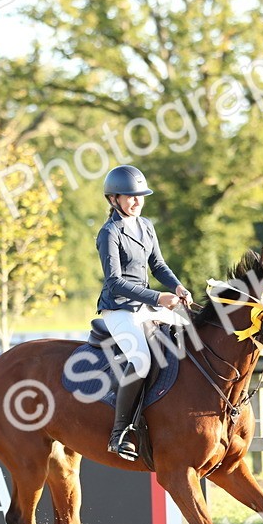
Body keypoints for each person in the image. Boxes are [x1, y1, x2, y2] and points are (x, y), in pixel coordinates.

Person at [95, 165, 192, 461]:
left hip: (148, 304)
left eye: (140, 196)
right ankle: (120, 431)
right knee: (140, 359)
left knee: (192, 339)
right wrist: (157, 297)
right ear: (114, 199)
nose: (136, 201)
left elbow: (158, 265)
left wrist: (177, 287)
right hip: (119, 308)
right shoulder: (109, 233)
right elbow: (115, 282)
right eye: (130, 196)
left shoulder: (146, 225)